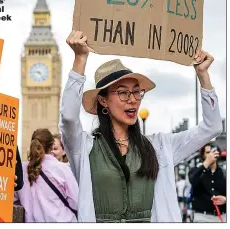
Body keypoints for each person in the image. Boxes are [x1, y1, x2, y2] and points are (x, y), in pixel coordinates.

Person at [59, 30, 222, 222]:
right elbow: (69, 118)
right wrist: (80, 58)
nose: (133, 100)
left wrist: (203, 75)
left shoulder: (160, 146)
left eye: (137, 92)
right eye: (123, 93)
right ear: (103, 101)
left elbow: (212, 127)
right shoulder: (85, 147)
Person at [14, 129, 78, 222]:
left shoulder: (21, 170)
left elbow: (14, 200)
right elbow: (76, 202)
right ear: (51, 146)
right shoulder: (62, 169)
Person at [188, 143, 226, 222]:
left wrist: (226, 199)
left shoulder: (224, 173)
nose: (211, 155)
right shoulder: (196, 170)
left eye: (213, 152)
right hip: (202, 217)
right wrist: (206, 163)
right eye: (208, 152)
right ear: (203, 155)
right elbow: (193, 181)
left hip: (222, 217)